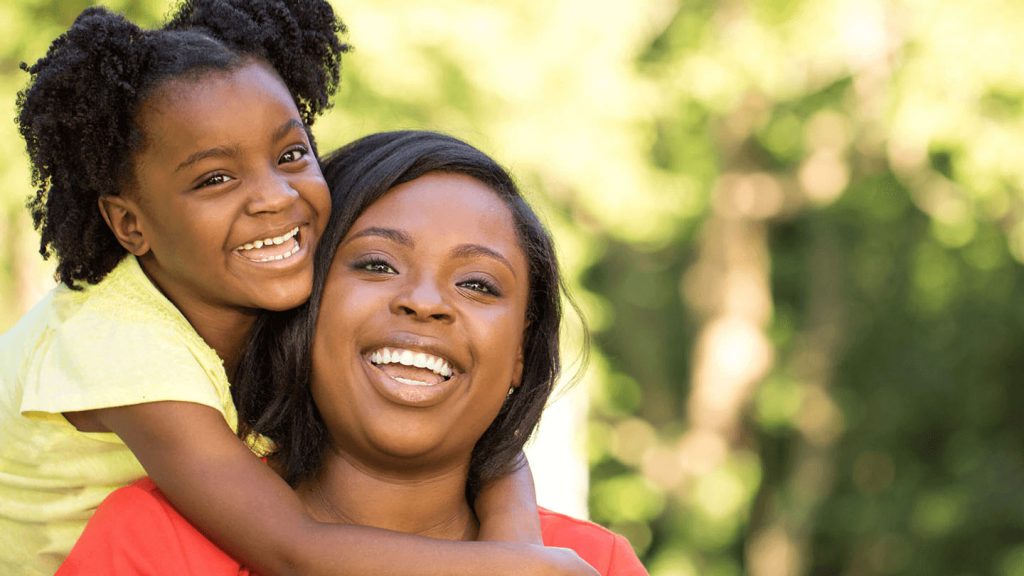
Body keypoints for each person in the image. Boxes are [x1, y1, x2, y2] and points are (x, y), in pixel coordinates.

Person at [0, 3, 593, 576]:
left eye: (289, 154)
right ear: (131, 224)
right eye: (215, 178)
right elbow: (294, 551)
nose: (275, 196)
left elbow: (485, 435)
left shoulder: (245, 298)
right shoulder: (123, 348)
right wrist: (509, 567)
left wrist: (517, 537)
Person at [58, 130, 650, 576]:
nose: (424, 303)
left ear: (520, 352)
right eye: (376, 264)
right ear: (304, 304)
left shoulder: (595, 563)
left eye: (477, 284)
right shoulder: (155, 542)